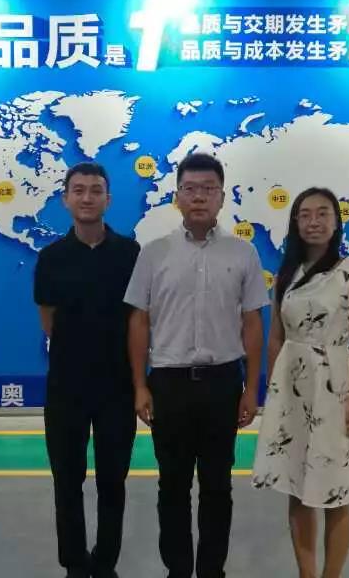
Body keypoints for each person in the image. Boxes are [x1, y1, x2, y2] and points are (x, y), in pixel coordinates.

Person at [125, 152, 269, 578]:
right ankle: (177, 570)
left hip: (222, 384)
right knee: (171, 485)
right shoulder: (154, 254)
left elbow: (252, 324)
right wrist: (140, 385)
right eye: (190, 189)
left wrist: (251, 388)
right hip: (168, 384)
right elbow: (139, 321)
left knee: (217, 486)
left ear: (222, 197)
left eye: (208, 189)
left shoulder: (243, 253)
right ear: (177, 197)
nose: (199, 197)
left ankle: (211, 570)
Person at [252, 187, 349, 578]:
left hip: (335, 386)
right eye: (305, 214)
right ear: (295, 222)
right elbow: (276, 338)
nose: (313, 222)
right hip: (292, 389)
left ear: (336, 221)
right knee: (297, 487)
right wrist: (274, 394)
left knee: (336, 489)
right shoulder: (286, 274)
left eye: (322, 213)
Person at [33, 162, 140, 578]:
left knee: (113, 481)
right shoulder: (51, 258)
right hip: (66, 388)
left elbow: (137, 319)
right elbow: (49, 319)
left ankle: (105, 561)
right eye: (78, 190)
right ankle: (75, 564)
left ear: (108, 199)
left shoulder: (130, 254)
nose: (87, 197)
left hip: (117, 387)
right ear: (65, 199)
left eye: (96, 190)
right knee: (67, 480)